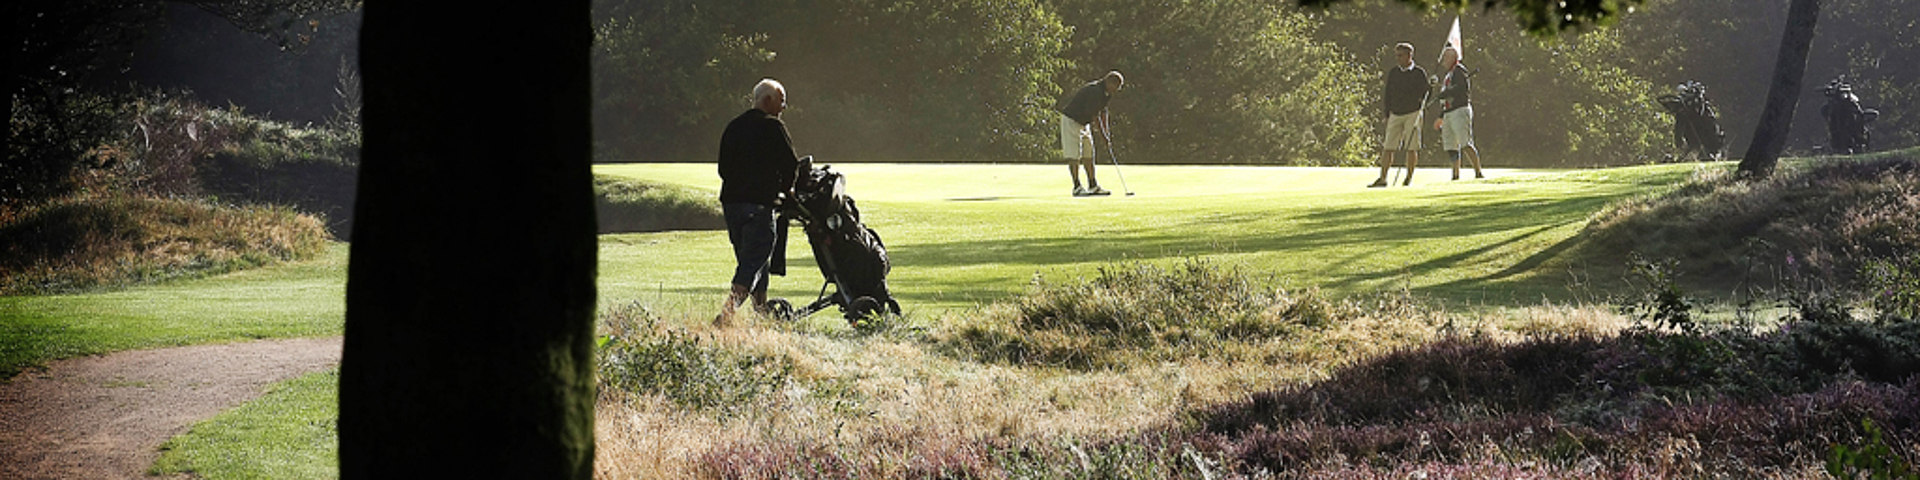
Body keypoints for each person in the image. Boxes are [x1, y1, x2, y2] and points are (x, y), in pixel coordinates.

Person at [715, 78, 800, 326]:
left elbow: (723, 169)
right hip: (759, 205)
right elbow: (791, 164)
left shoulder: (734, 126)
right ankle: (725, 317)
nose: (783, 107)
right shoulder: (773, 126)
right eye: (781, 101)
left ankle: (761, 318)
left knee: (753, 261)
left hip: (732, 206)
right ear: (768, 100)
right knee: (753, 261)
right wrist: (785, 190)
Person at [1057, 70, 1124, 197]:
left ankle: (1093, 185)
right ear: (1110, 82)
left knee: (1089, 153)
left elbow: (1103, 113)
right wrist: (1102, 136)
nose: (1116, 90)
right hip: (1071, 120)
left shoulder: (1107, 93)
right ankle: (1077, 187)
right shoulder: (1095, 91)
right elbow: (1095, 116)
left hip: (1083, 123)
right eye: (1116, 86)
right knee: (1074, 155)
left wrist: (1107, 134)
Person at [1371, 43, 1428, 188]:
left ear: (1409, 56)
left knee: (1411, 147)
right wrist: (1386, 114)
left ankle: (1408, 178)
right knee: (1388, 147)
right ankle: (1383, 178)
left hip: (1413, 113)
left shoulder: (1419, 73)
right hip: (1395, 113)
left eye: (1400, 55)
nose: (1398, 58)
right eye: (1397, 55)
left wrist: (1431, 86)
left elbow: (1425, 94)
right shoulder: (1394, 72)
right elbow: (1388, 94)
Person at [1432, 45, 1484, 180]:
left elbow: (1461, 90)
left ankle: (1478, 171)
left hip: (1459, 110)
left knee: (1465, 142)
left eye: (1446, 57)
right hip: (1448, 112)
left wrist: (1447, 92)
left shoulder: (1459, 71)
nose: (1443, 60)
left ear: (1452, 58)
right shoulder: (1449, 74)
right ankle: (1455, 174)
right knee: (1450, 145)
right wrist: (1441, 116)